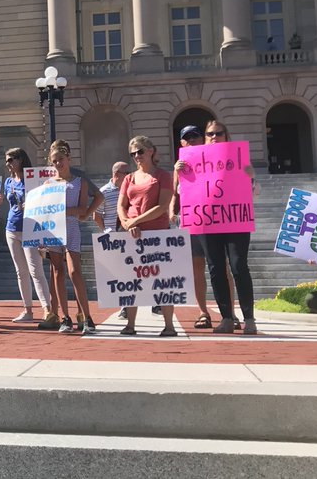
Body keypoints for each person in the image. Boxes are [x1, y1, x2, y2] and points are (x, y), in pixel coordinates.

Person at [170, 125, 236, 329]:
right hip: (193, 219)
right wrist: (172, 210)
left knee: (223, 268)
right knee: (196, 267)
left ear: (202, 139)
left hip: (218, 220)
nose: (191, 140)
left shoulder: (218, 158)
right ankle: (203, 312)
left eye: (195, 136)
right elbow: (175, 192)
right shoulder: (180, 164)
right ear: (181, 142)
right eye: (186, 138)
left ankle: (230, 313)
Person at [201, 120, 259, 335]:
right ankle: (226, 317)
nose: (214, 136)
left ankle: (249, 319)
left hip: (235, 220)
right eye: (210, 134)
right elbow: (187, 192)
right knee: (215, 268)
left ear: (226, 135)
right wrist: (183, 173)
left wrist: (250, 176)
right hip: (207, 221)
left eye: (218, 133)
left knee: (238, 266)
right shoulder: (196, 161)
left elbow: (253, 191)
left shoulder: (238, 159)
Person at [117, 135, 177, 336]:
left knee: (163, 281)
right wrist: (127, 223)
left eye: (140, 151)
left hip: (157, 234)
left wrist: (136, 221)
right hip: (132, 234)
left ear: (151, 151)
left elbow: (162, 207)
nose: (137, 156)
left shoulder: (162, 176)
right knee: (131, 280)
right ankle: (130, 324)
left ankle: (169, 325)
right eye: (133, 153)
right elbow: (121, 205)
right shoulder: (128, 178)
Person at [43, 140, 98, 335]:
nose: (58, 164)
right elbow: (44, 212)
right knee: (57, 271)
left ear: (68, 159)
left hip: (72, 229)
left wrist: (67, 212)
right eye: (55, 161)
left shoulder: (79, 182)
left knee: (75, 272)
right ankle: (64, 317)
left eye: (61, 160)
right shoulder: (48, 184)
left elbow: (82, 209)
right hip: (53, 230)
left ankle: (86, 316)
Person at [0, 148, 53, 325]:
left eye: (11, 160)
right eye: (6, 160)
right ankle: (28, 310)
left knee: (36, 270)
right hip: (12, 228)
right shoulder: (8, 182)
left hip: (31, 228)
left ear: (21, 159)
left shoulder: (32, 180)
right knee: (20, 272)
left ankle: (48, 310)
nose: (8, 163)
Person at [93, 161, 129, 232]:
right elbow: (96, 216)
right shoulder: (103, 192)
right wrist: (105, 231)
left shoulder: (130, 190)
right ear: (116, 174)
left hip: (129, 235)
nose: (128, 176)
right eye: (126, 173)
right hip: (112, 237)